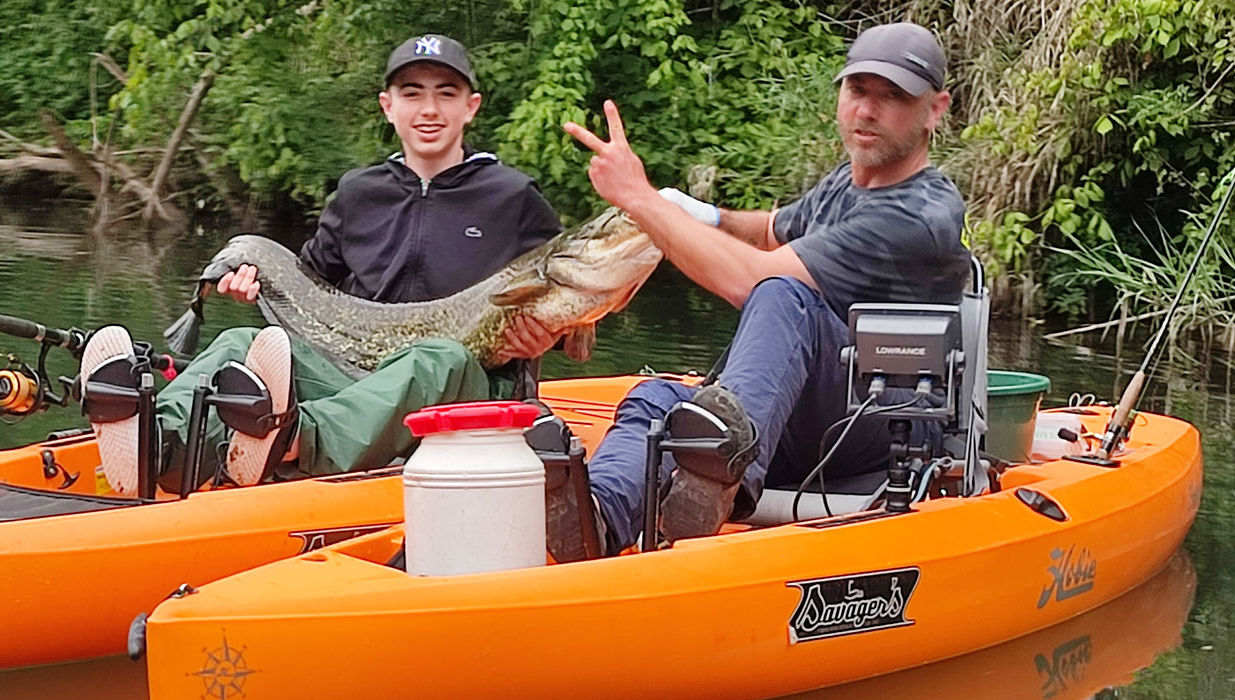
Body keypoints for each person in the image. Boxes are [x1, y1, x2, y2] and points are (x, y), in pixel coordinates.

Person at [79, 34, 566, 496]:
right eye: (412, 93)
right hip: (357, 377)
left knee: (437, 357)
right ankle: (154, 442)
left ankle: (292, 438)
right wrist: (257, 287)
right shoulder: (359, 193)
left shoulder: (513, 197)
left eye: (446, 92)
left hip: (469, 390)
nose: (430, 108)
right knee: (238, 342)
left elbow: (568, 302)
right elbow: (310, 288)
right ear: (388, 106)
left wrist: (550, 334)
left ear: (470, 106)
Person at [559, 22, 973, 556]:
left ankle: (722, 478)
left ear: (935, 109)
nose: (868, 111)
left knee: (783, 294)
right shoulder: (847, 185)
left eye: (892, 97)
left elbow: (752, 280)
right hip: (812, 418)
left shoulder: (919, 216)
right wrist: (697, 210)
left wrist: (643, 202)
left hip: (885, 423)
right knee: (656, 399)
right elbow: (771, 228)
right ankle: (597, 520)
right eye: (858, 91)